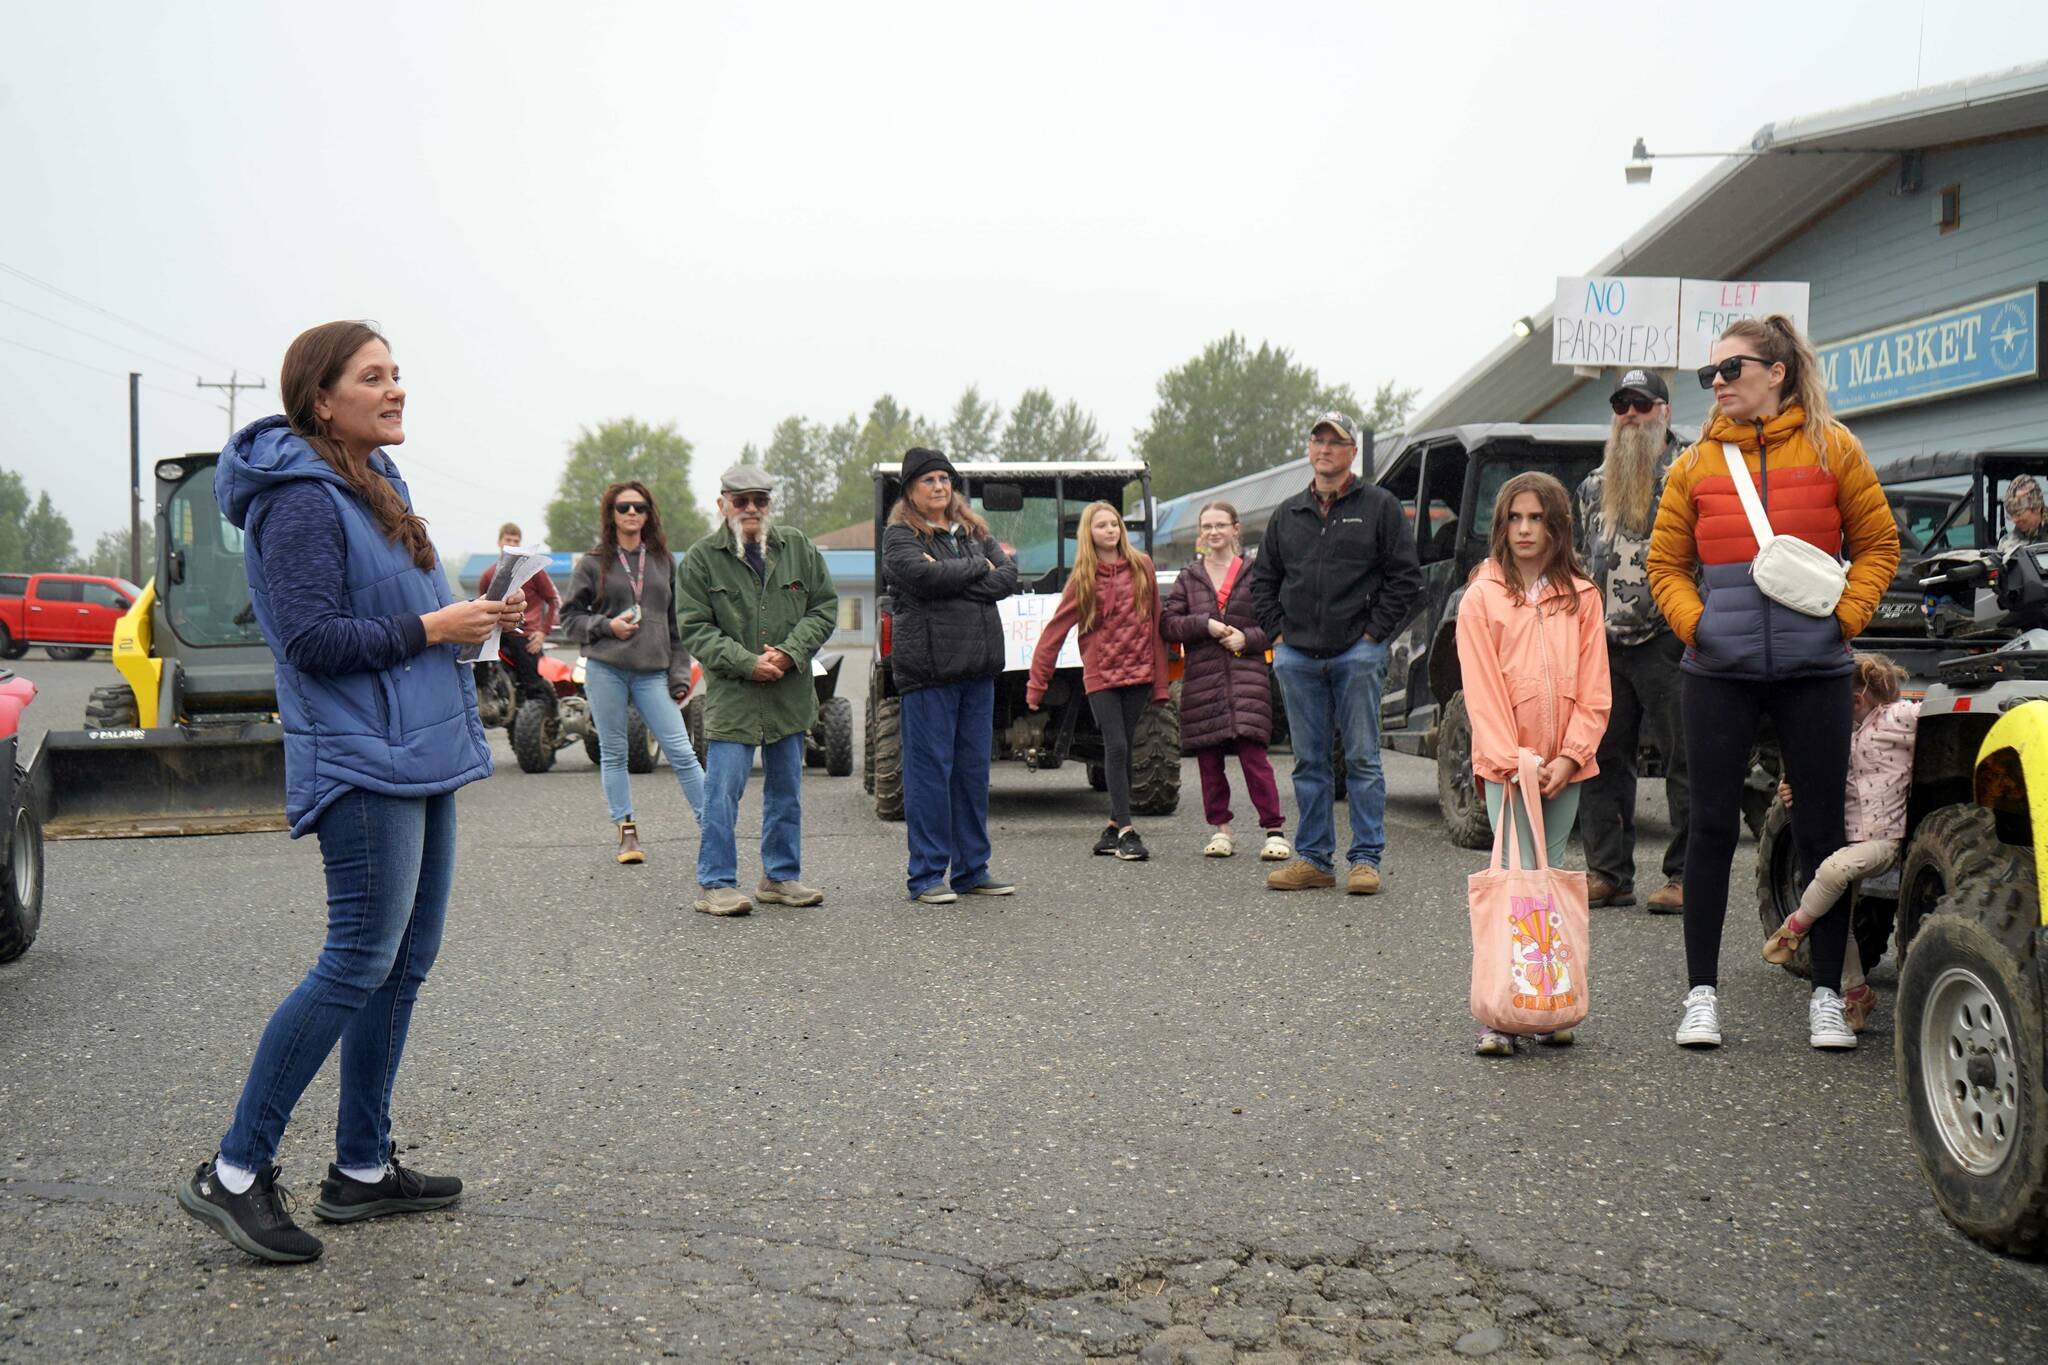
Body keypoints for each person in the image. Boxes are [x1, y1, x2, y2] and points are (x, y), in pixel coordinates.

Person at [180, 320, 520, 1263]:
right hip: (361, 757)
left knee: (405, 960)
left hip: (420, 748)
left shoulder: (380, 485)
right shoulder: (298, 498)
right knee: (355, 957)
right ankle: (236, 1170)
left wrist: (474, 621)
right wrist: (430, 626)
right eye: (375, 376)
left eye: (399, 373)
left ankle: (361, 1167)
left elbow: (398, 614)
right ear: (321, 398)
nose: (397, 388)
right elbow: (311, 641)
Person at [1647, 314, 1900, 1052]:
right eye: (1710, 375)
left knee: (1823, 831)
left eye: (1730, 370)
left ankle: (1827, 993)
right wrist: (1698, 627)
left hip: (1814, 670)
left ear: (1776, 371)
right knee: (1711, 828)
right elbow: (1666, 565)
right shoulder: (1694, 464)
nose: (1717, 384)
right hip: (1717, 674)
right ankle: (1701, 996)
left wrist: (1845, 619)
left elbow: (1880, 542)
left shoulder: (1833, 447)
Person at [1456, 472, 1611, 1056]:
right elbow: (1481, 689)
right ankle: (1502, 1014)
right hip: (1506, 766)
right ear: (1502, 524)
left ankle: (1543, 1000)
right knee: (1514, 878)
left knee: (1547, 877)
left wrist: (1571, 758)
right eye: (1515, 518)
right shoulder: (1482, 595)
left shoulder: (1583, 596)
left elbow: (1596, 688)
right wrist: (1510, 762)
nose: (1525, 529)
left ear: (1557, 525)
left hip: (1563, 766)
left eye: (1537, 518)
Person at [1251, 411, 1424, 894]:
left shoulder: (1379, 507)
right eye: (1317, 440)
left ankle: (1365, 860)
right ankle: (1314, 859)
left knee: (1362, 759)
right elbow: (1263, 581)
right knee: (1309, 763)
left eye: (1336, 441)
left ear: (1352, 452)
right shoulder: (1287, 514)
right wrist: (1278, 637)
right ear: (1309, 450)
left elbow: (1405, 579)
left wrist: (1372, 638)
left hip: (1357, 655)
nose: (1325, 448)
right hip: (1297, 657)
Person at [676, 464, 838, 916]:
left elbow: (823, 609)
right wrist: (748, 663)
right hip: (735, 697)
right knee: (722, 792)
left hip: (789, 693)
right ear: (721, 503)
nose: (750, 508)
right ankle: (716, 883)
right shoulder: (700, 560)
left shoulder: (799, 548)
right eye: (740, 499)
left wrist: (789, 652)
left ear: (770, 505)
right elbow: (694, 629)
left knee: (786, 790)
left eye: (760, 500)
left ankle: (780, 877)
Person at [882, 448, 1020, 903]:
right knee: (929, 775)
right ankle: (925, 876)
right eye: (929, 480)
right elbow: (924, 580)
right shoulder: (900, 536)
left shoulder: (974, 530)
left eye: (945, 479)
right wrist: (978, 569)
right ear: (910, 489)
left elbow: (1008, 577)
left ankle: (971, 870)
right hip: (930, 673)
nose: (940, 486)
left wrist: (959, 576)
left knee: (972, 775)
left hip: (977, 671)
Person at [1574, 370, 1688, 915]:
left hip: (1670, 638)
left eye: (1641, 404)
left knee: (1684, 758)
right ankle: (1608, 874)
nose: (1629, 414)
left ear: (1664, 411)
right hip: (1605, 642)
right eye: (1621, 404)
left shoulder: (1691, 471)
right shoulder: (1593, 485)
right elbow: (1579, 561)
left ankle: (1687, 876)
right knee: (1600, 758)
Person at [1764, 653, 1917, 1035]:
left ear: (1855, 699)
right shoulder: (1842, 734)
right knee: (1839, 922)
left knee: (1832, 870)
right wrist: (1790, 786)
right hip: (1849, 836)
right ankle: (1856, 994)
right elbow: (1811, 772)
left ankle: (1794, 927)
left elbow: (1930, 713)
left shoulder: (1897, 718)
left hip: (1884, 841)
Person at [559, 482, 708, 866]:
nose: (630, 513)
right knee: (614, 752)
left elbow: (677, 626)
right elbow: (569, 620)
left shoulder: (663, 561)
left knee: (681, 750)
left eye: (638, 507)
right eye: (623, 507)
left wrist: (679, 675)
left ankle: (713, 825)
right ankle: (626, 831)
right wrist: (609, 627)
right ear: (611, 514)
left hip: (652, 672)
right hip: (606, 668)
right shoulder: (593, 562)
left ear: (648, 514)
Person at [1027, 500, 1169, 862]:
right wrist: (1036, 684)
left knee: (1126, 745)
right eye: (1102, 525)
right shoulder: (1083, 579)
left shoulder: (1143, 567)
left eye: (1115, 524)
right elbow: (1054, 633)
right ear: (1088, 533)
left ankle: (1110, 827)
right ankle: (1126, 830)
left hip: (1139, 672)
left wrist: (1160, 682)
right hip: (1101, 675)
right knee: (1117, 745)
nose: (1110, 530)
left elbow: (1155, 626)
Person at [1160, 500, 1288, 861]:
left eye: (1220, 525)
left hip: (1247, 678)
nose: (1213, 532)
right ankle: (1222, 829)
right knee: (1209, 761)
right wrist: (1205, 625)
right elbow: (1168, 624)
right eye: (1207, 526)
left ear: (1236, 529)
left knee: (1254, 758)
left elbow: (1276, 621)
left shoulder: (1257, 573)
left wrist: (1247, 639)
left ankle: (1274, 830)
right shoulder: (1188, 577)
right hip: (1203, 681)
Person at [479, 521, 558, 701]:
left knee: (534, 689)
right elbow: (481, 607)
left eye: (516, 541)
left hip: (525, 636)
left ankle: (541, 718)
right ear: (499, 543)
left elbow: (553, 601)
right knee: (476, 671)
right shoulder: (488, 575)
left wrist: (542, 633)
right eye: (508, 540)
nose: (513, 545)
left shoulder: (534, 571)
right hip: (497, 635)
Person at [1999, 473, 2048, 557]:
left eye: (2019, 513)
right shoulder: (2006, 543)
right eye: (2011, 514)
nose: (2014, 520)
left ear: (2037, 508)